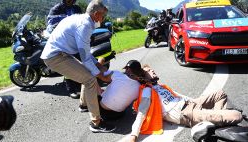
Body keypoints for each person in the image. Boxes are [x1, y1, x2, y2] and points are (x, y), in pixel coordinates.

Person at [40, 0, 116, 133]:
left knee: (87, 73)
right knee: (90, 80)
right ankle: (96, 123)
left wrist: (96, 64)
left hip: (61, 53)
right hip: (55, 57)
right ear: (97, 14)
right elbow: (85, 56)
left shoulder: (81, 19)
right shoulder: (85, 25)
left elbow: (85, 53)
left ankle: (83, 104)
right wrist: (100, 75)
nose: (103, 19)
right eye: (103, 16)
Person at [127, 65, 244, 141]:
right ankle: (214, 121)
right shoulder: (147, 90)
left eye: (152, 69)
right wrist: (134, 135)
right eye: (148, 71)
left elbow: (179, 97)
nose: (152, 70)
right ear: (143, 76)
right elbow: (142, 112)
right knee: (236, 115)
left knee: (220, 94)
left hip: (191, 103)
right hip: (186, 113)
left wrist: (198, 101)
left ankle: (215, 121)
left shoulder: (161, 86)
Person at [45, 0, 83, 99]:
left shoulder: (76, 8)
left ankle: (80, 82)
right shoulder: (56, 9)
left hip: (76, 39)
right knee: (69, 63)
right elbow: (50, 24)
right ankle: (71, 89)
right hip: (63, 41)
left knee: (80, 62)